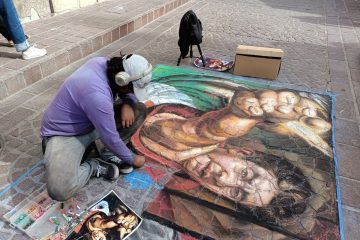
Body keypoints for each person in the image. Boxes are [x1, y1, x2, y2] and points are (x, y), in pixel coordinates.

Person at [40, 53, 151, 201]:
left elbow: (124, 98)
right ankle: (94, 166)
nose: (133, 93)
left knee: (138, 109)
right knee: (59, 190)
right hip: (64, 135)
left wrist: (128, 101)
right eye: (132, 89)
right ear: (122, 80)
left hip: (92, 121)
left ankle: (108, 154)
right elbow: (109, 137)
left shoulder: (102, 63)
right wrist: (132, 159)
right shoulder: (96, 95)